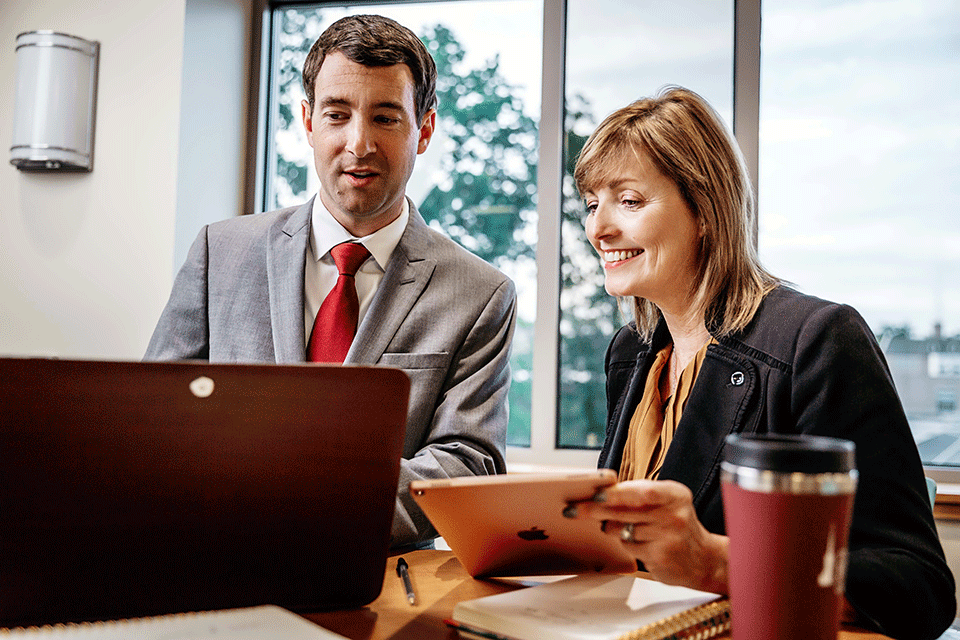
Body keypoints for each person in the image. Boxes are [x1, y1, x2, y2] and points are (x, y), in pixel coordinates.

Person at [561, 86, 955, 640]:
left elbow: (919, 589)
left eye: (628, 201)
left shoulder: (819, 340)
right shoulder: (631, 353)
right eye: (591, 202)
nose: (597, 229)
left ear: (705, 210)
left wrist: (718, 562)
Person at [144, 14, 517, 550]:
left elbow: (465, 464)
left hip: (379, 588)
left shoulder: (481, 294)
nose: (358, 143)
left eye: (386, 118)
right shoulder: (218, 253)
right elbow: (155, 417)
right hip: (217, 563)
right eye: (337, 114)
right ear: (308, 121)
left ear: (425, 130)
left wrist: (309, 503)